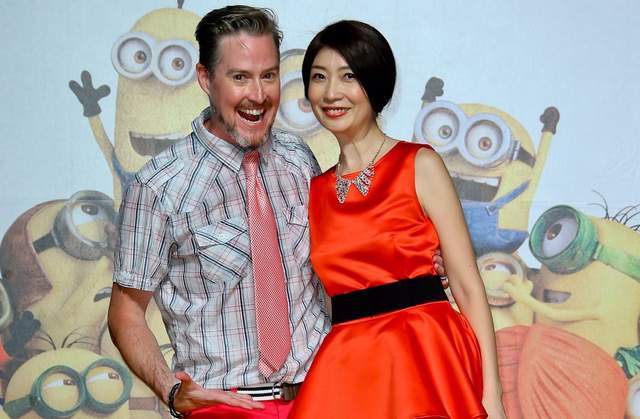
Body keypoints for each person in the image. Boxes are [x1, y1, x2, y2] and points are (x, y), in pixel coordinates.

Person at [108, 5, 448, 419]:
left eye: (268, 75)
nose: (258, 95)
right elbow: (126, 311)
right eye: (240, 77)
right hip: (228, 405)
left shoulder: (298, 159)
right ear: (205, 78)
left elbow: (343, 258)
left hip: (327, 394)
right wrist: (172, 389)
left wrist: (414, 269)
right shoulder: (158, 186)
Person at [289, 21, 506, 419]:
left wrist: (492, 396)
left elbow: (466, 284)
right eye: (319, 77)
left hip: (424, 355)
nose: (331, 93)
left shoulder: (418, 164)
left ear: (376, 84)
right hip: (351, 366)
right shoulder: (315, 191)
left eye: (348, 76)